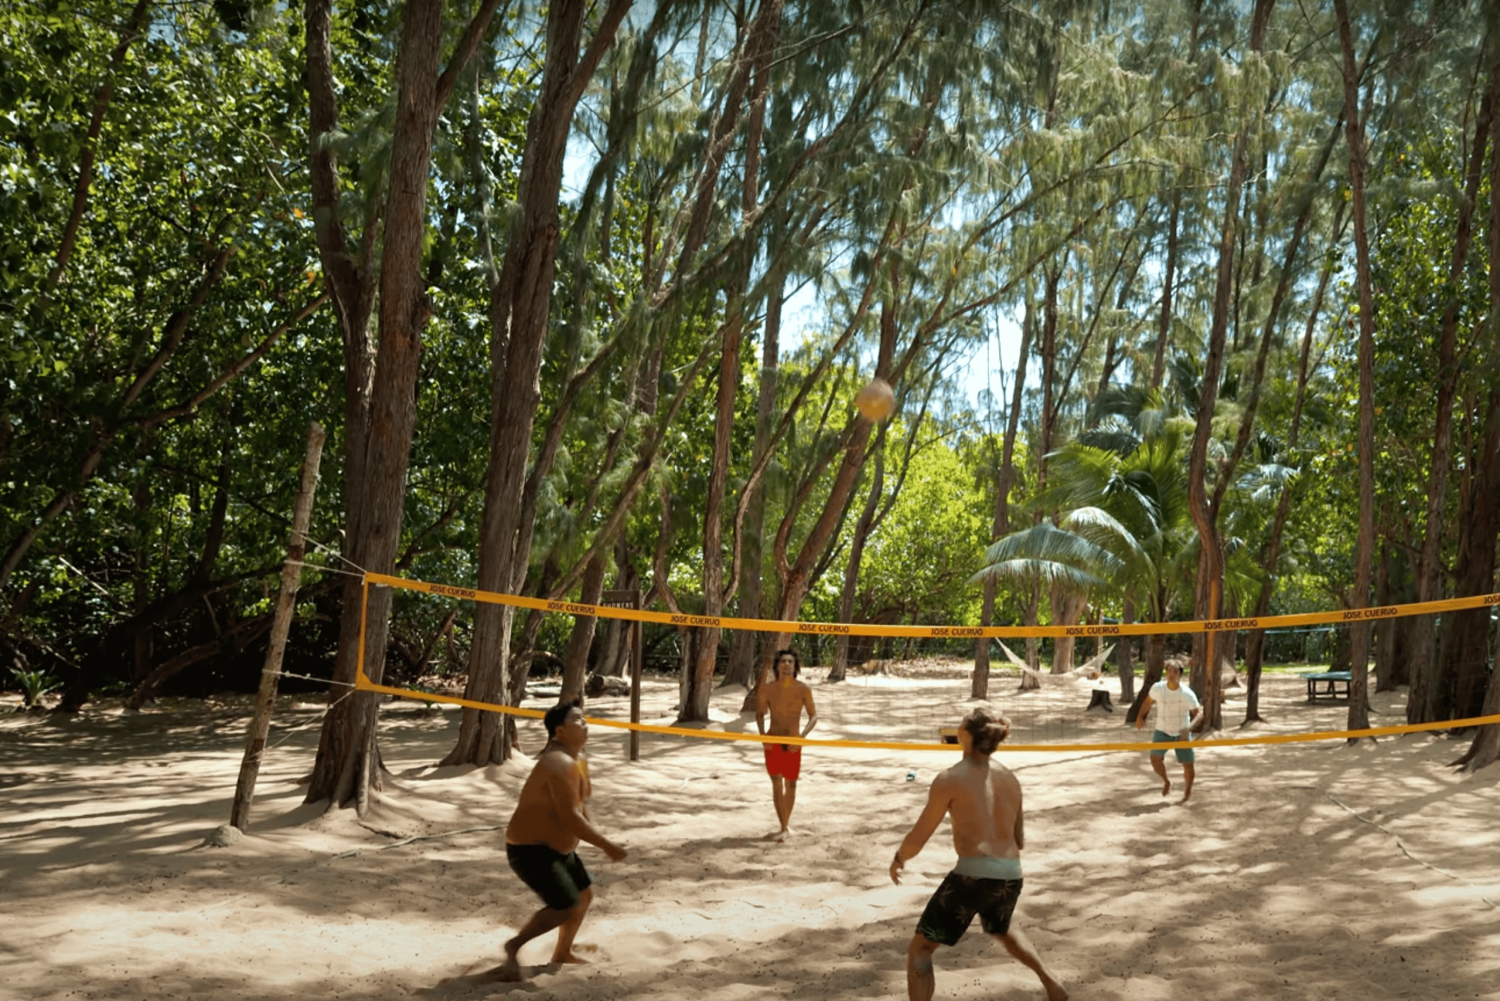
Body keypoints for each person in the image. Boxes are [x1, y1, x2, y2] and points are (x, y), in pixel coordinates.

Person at [890, 708, 1067, 1001]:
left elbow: (921, 833)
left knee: (921, 948)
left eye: (961, 724)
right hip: (1011, 874)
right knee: (1003, 929)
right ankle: (1052, 983)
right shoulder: (1010, 778)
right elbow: (1019, 839)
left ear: (966, 735)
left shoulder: (949, 778)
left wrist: (899, 858)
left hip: (972, 875)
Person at [495, 699, 627, 982]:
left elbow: (581, 805)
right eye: (577, 719)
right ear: (559, 731)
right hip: (530, 850)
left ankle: (562, 953)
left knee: (583, 897)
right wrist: (605, 845)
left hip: (558, 850)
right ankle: (514, 946)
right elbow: (570, 818)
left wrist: (595, 834)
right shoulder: (557, 762)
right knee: (565, 906)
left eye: (585, 718)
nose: (585, 723)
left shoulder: (579, 760)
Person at [754, 648, 818, 840]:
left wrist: (802, 737)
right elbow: (760, 714)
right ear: (777, 666)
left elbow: (814, 716)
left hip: (793, 742)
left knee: (791, 784)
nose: (787, 665)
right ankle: (783, 827)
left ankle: (785, 826)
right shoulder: (767, 688)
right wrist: (763, 737)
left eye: (790, 662)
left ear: (795, 666)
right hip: (773, 740)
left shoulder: (803, 689)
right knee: (776, 783)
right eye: (783, 661)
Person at [1135, 658, 1202, 802]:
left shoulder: (1187, 694)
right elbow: (1147, 702)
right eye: (1169, 671)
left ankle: (1187, 793)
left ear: (1180, 674)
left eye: (1175, 671)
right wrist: (1140, 717)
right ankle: (1166, 781)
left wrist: (1188, 729)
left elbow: (1199, 714)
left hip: (1182, 733)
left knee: (1188, 766)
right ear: (1165, 673)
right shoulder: (1158, 688)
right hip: (1162, 730)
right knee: (1155, 759)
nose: (1171, 674)